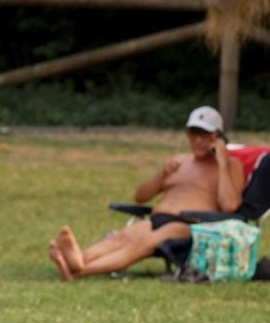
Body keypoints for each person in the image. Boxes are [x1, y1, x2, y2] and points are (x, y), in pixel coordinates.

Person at [49, 106, 245, 280]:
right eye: (193, 134)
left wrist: (221, 162)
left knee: (140, 244)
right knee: (120, 238)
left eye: (204, 135)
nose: (197, 140)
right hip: (157, 218)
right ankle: (77, 259)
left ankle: (79, 271)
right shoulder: (181, 161)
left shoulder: (231, 167)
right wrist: (162, 174)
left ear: (216, 137)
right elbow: (141, 197)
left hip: (189, 224)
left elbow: (230, 205)